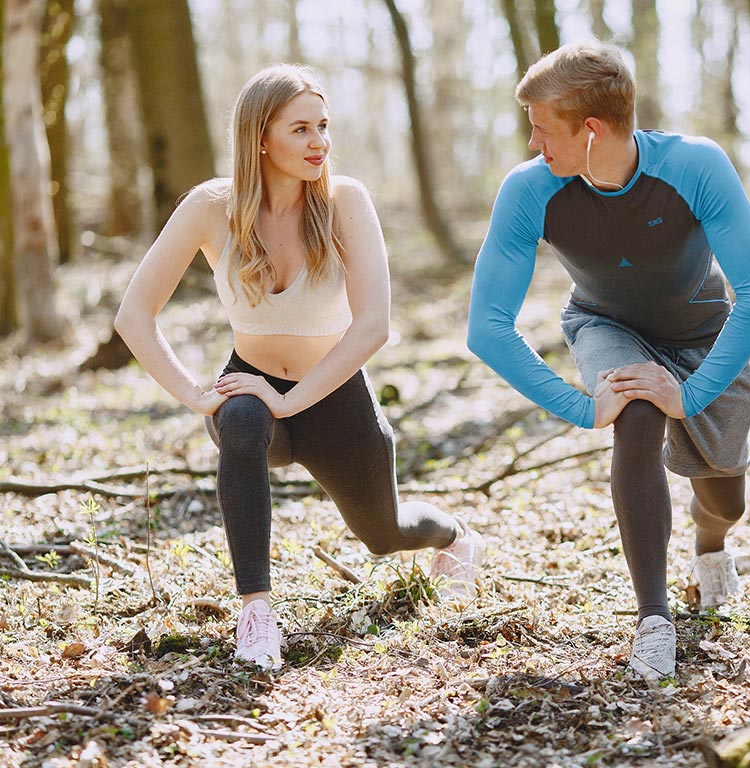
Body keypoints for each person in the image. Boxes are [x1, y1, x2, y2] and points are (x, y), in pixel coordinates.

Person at [116, 64, 484, 671]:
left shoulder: (345, 201)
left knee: (383, 534)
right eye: (301, 129)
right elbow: (134, 315)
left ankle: (456, 536)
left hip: (334, 398)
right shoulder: (211, 206)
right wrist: (194, 394)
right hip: (251, 392)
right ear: (260, 138)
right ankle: (257, 612)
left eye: (323, 126)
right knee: (238, 418)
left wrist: (291, 398)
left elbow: (374, 325)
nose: (320, 143)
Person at [467, 42, 750, 681]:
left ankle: (711, 544)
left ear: (591, 131)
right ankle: (654, 620)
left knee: (725, 497)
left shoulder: (694, 166)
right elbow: (487, 328)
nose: (533, 144)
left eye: (542, 128)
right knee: (634, 414)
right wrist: (583, 407)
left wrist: (691, 396)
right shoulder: (531, 190)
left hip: (702, 334)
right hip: (605, 325)